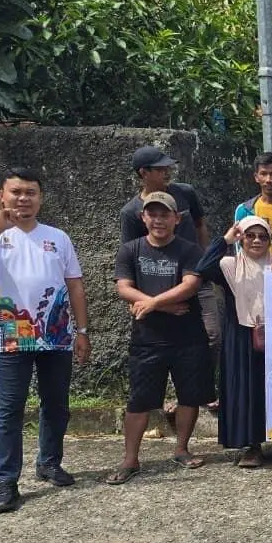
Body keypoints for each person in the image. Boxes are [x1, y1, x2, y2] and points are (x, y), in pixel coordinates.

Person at [0, 167, 91, 512]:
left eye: (30, 192)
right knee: (10, 407)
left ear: (41, 198)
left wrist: (83, 331)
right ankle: (5, 481)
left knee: (56, 404)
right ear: (1, 196)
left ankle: (49, 462)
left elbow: (74, 284)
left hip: (55, 331)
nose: (23, 199)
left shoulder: (58, 237)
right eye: (16, 192)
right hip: (11, 331)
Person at [109, 191, 214, 485]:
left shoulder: (190, 250)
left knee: (189, 396)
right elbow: (124, 288)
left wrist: (152, 305)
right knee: (139, 401)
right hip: (147, 338)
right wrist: (164, 305)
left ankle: (181, 448)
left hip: (188, 336)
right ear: (143, 218)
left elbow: (190, 285)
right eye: (152, 214)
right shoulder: (130, 250)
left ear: (176, 219)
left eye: (164, 214)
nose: (158, 220)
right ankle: (130, 458)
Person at [195, 217, 272, 468]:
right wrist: (225, 240)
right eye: (250, 235)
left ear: (270, 240)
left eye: (263, 236)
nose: (256, 240)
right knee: (247, 388)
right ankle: (252, 446)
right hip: (240, 334)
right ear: (242, 238)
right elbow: (203, 267)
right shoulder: (229, 266)